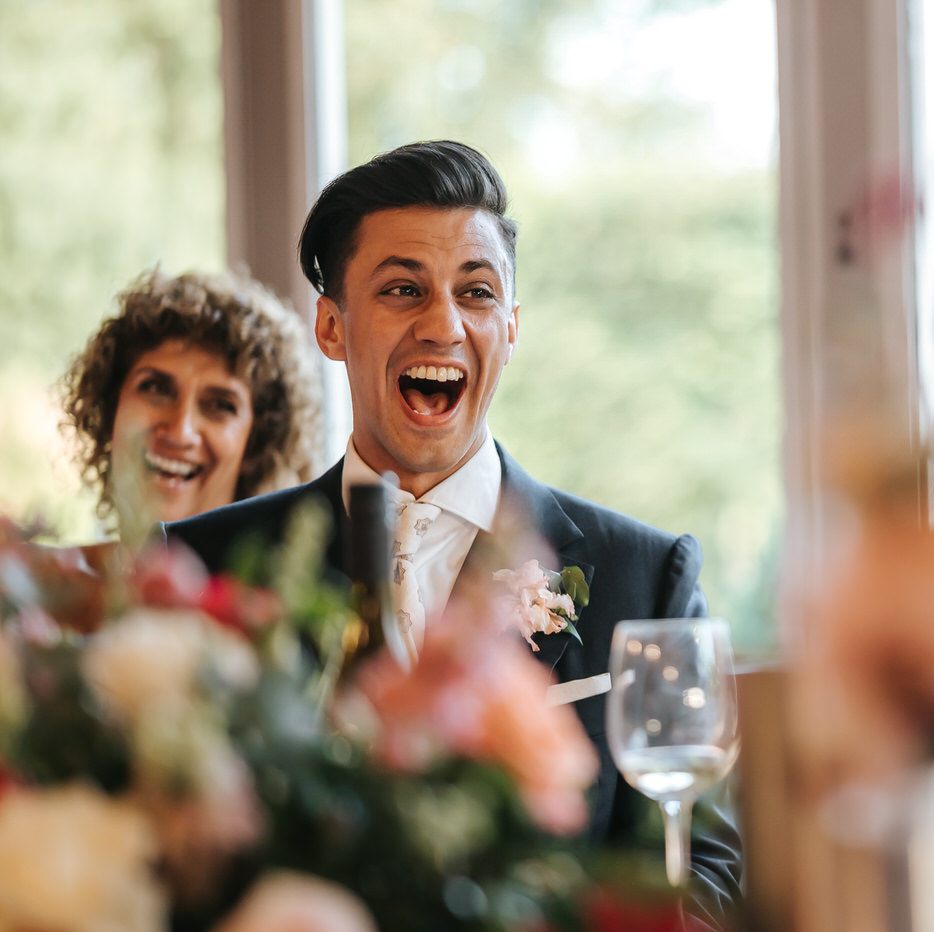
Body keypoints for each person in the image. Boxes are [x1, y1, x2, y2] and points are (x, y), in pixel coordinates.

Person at [158, 140, 742, 926]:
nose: (443, 324)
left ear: (510, 325)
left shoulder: (647, 574)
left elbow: (703, 870)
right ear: (331, 326)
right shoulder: (202, 567)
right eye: (403, 289)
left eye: (476, 292)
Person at [61, 268, 324, 537]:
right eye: (156, 388)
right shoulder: (43, 577)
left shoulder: (296, 580)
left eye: (221, 406)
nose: (180, 432)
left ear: (256, 446)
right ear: (109, 411)